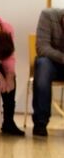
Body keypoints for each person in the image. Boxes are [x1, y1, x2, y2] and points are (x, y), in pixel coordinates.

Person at [32, 8, 64, 136]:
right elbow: (42, 48)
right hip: (51, 62)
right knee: (42, 65)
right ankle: (40, 123)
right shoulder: (48, 16)